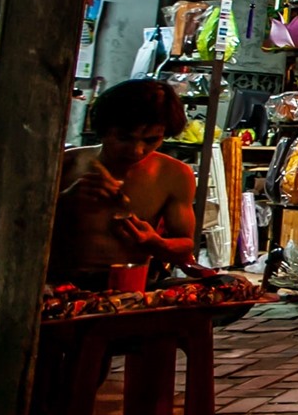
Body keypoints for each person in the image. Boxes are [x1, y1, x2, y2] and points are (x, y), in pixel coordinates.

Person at [50, 79, 196, 289]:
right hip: (61, 287)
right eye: (124, 138)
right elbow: (17, 225)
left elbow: (185, 247)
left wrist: (155, 242)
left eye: (151, 140)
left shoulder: (174, 174)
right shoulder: (66, 163)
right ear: (103, 129)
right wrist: (64, 201)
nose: (136, 150)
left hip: (132, 288)